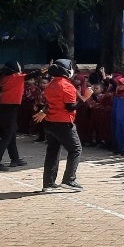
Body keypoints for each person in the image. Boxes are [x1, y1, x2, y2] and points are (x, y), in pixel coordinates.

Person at [33, 59, 90, 193]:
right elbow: (70, 107)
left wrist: (43, 112)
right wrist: (85, 98)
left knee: (52, 151)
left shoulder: (51, 85)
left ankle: (48, 183)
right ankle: (69, 180)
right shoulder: (67, 86)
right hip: (63, 123)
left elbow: (51, 103)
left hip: (50, 123)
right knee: (75, 150)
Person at [0, 61, 37, 171]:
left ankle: (15, 158)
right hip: (11, 110)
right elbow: (34, 74)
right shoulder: (17, 77)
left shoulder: (4, 78)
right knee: (7, 136)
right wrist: (49, 68)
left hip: (4, 109)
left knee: (11, 135)